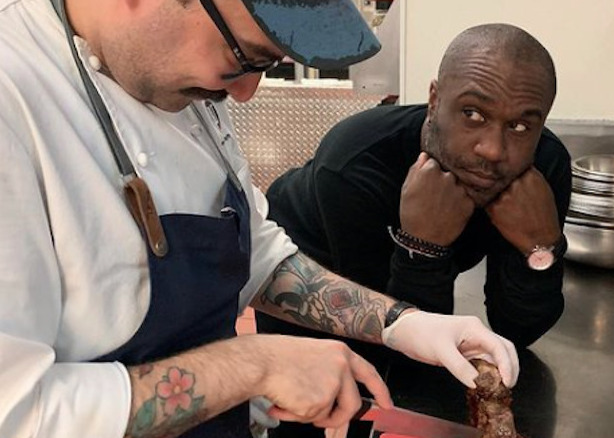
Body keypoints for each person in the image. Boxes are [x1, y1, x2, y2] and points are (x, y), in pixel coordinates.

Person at [0, 0, 522, 436]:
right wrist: (258, 364)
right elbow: (18, 415)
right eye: (244, 57)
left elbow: (258, 256)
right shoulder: (14, 99)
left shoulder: (183, 86)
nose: (245, 93)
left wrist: (401, 324)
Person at [260, 21, 571, 420]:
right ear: (434, 100)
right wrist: (421, 247)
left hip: (398, 294)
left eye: (520, 126)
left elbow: (519, 333)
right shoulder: (356, 165)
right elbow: (393, 344)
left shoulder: (544, 167)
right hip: (305, 263)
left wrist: (541, 248)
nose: (493, 150)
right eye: (472, 114)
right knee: (311, 411)